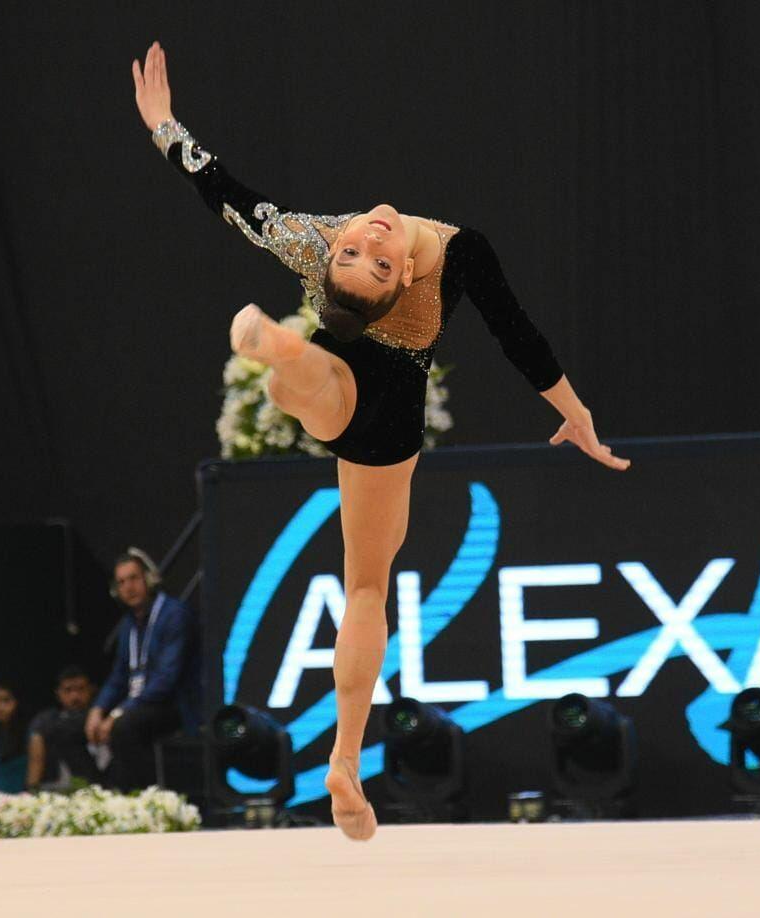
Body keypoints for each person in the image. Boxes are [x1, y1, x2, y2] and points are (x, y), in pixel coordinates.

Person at [132, 42, 630, 840]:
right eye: (365, 255)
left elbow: (225, 193)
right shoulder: (406, 248)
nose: (372, 238)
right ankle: (344, 758)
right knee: (366, 589)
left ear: (384, 278)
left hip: (355, 395)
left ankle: (282, 358)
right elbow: (516, 335)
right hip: (384, 418)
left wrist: (166, 128)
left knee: (324, 403)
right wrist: (577, 412)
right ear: (369, 274)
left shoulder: (329, 243)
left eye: (371, 256)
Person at [85, 548, 192, 791]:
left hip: (171, 704)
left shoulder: (174, 615)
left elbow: (165, 681)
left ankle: (142, 795)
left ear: (149, 579)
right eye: (121, 582)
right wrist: (98, 709)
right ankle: (101, 793)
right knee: (77, 725)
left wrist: (117, 713)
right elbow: (118, 676)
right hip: (138, 705)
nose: (128, 587)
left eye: (133, 578)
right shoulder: (128, 624)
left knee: (124, 726)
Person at [25, 665, 100, 790]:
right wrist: (31, 790)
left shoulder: (101, 717)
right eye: (68, 690)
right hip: (54, 785)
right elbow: (36, 758)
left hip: (97, 784)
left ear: (91, 690)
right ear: (58, 693)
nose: (75, 696)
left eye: (81, 689)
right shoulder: (45, 720)